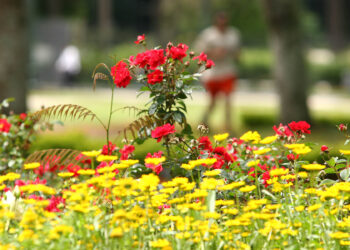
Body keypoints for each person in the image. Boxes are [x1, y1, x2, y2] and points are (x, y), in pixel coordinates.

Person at [195, 12, 240, 133]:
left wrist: (230, 53)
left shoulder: (233, 34)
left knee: (228, 100)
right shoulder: (208, 35)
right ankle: (204, 122)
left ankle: (228, 127)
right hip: (212, 73)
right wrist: (215, 53)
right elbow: (200, 52)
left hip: (227, 71)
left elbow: (238, 53)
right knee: (212, 102)